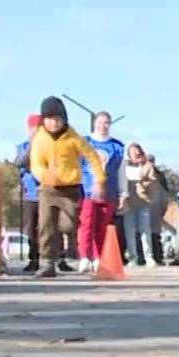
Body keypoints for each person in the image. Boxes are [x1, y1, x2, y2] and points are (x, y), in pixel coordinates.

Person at [29, 97, 99, 277]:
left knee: (67, 226)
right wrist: (45, 175)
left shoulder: (74, 138)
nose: (53, 123)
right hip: (47, 189)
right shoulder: (39, 139)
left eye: (57, 119)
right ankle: (47, 264)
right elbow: (35, 164)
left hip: (70, 189)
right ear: (43, 120)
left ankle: (67, 245)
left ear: (64, 119)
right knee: (45, 226)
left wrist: (99, 179)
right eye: (49, 119)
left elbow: (92, 156)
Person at [79, 111, 126, 269]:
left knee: (101, 226)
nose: (102, 126)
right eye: (100, 122)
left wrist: (122, 193)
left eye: (106, 123)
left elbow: (120, 171)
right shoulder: (84, 142)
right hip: (88, 190)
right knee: (86, 224)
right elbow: (79, 166)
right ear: (94, 123)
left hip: (109, 191)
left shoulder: (117, 146)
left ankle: (98, 257)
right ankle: (85, 255)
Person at [119, 142, 161, 267]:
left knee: (144, 230)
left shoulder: (147, 166)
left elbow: (153, 182)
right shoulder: (124, 166)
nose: (135, 154)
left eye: (137, 151)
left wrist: (143, 181)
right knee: (129, 231)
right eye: (132, 152)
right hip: (128, 202)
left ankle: (149, 257)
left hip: (143, 201)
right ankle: (133, 257)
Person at [13, 113, 42, 272]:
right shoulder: (23, 146)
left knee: (49, 228)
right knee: (31, 229)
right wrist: (32, 146)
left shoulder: (49, 145)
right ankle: (33, 259)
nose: (35, 132)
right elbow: (19, 162)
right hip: (30, 194)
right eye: (33, 129)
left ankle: (57, 259)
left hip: (46, 193)